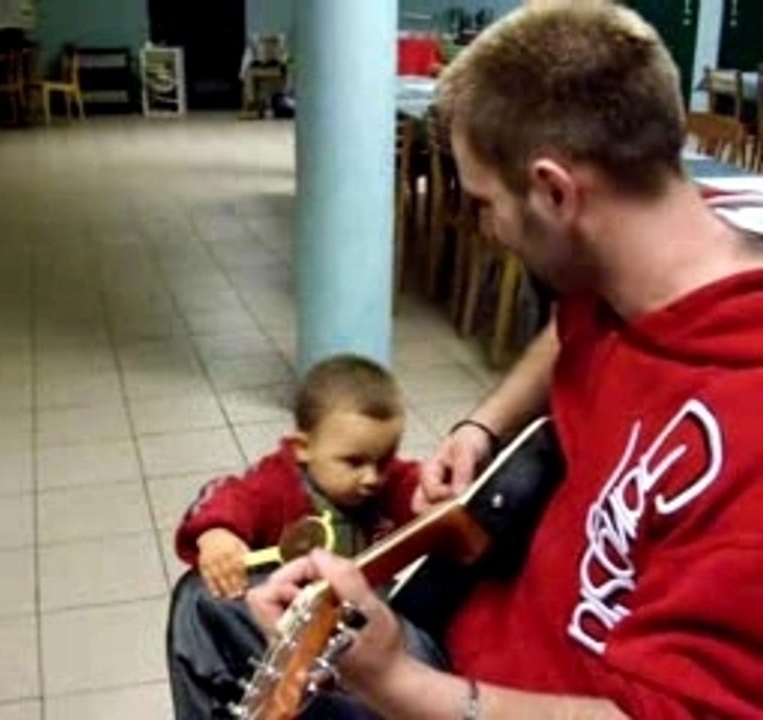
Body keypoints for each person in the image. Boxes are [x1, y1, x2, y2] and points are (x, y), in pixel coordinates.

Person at [246, 2, 763, 718]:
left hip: (503, 697)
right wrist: (483, 426)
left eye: (484, 201)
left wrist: (397, 681)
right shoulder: (635, 270)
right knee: (220, 613)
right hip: (479, 627)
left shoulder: (745, 432)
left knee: (231, 636)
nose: (486, 229)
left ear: (554, 191)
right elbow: (568, 328)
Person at [168, 353, 443, 718]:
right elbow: (228, 496)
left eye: (384, 459)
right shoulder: (277, 483)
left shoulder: (385, 483)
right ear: (303, 448)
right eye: (354, 462)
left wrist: (434, 496)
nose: (372, 477)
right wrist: (217, 533)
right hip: (283, 629)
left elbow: (416, 487)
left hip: (357, 627)